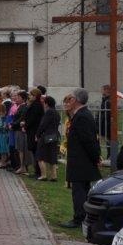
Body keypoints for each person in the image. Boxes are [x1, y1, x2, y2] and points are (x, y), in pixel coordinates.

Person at [60, 88, 102, 229]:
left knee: (79, 191)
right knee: (81, 190)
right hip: (80, 159)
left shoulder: (82, 116)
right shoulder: (79, 115)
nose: (69, 101)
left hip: (81, 161)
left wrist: (96, 157)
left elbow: (88, 140)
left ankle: (79, 218)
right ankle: (83, 217)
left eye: (71, 98)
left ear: (75, 100)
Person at [35, 96, 60, 181]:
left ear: (46, 104)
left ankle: (43, 175)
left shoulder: (48, 112)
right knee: (52, 155)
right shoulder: (56, 112)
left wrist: (37, 134)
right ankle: (54, 176)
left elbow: (43, 124)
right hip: (55, 135)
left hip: (47, 135)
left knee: (40, 155)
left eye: (44, 102)